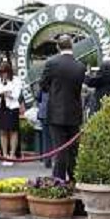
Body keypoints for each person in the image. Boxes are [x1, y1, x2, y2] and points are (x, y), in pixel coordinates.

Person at [40, 34, 86, 181]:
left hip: (56, 113)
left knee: (59, 150)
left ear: (58, 46)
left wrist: (53, 91)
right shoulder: (80, 66)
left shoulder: (51, 63)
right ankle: (74, 182)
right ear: (72, 46)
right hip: (74, 113)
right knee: (73, 151)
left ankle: (58, 184)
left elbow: (43, 85)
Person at [0, 61, 22, 167]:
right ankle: (4, 154)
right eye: (1, 72)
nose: (3, 74)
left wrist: (7, 93)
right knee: (2, 132)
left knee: (13, 131)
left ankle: (12, 154)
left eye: (5, 72)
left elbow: (16, 95)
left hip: (12, 108)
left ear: (9, 72)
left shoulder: (16, 80)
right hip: (2, 108)